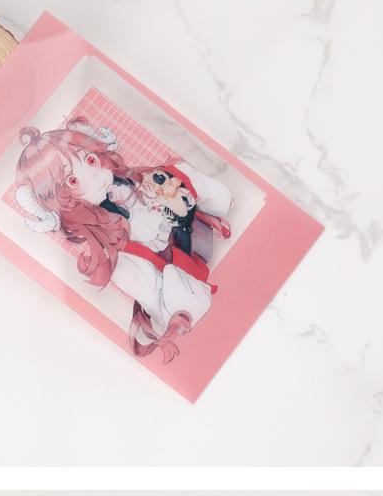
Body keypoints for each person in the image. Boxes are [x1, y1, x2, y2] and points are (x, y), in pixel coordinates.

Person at [14, 117, 232, 363]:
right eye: (73, 181)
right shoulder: (118, 256)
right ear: (61, 201)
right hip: (176, 269)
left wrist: (175, 194)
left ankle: (217, 207)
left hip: (193, 231)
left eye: (91, 160)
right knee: (133, 273)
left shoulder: (133, 182)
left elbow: (169, 190)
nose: (95, 176)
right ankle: (181, 310)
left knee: (184, 176)